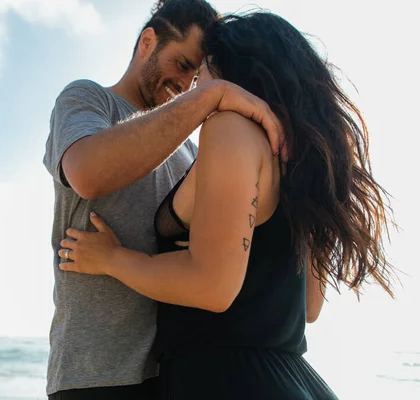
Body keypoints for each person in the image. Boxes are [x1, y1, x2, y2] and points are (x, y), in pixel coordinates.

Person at [58, 11, 397, 399]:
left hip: (225, 378)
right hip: (290, 376)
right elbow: (309, 307)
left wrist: (114, 260)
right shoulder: (303, 160)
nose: (193, 86)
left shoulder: (227, 129)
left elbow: (214, 286)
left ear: (230, 70)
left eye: (199, 71)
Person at [42, 1, 287, 399]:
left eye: (198, 73)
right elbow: (87, 173)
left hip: (174, 370)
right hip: (95, 371)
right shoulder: (88, 99)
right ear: (147, 41)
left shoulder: (192, 150)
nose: (190, 82)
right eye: (182, 64)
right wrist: (215, 95)